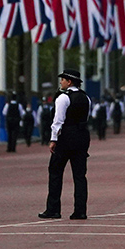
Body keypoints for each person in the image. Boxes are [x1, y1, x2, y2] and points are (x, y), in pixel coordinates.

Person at [39, 69, 91, 220]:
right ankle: (80, 211)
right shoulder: (85, 97)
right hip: (82, 136)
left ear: (69, 82)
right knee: (80, 175)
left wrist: (53, 139)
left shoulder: (63, 98)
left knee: (55, 172)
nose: (60, 82)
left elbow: (58, 121)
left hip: (66, 137)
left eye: (62, 79)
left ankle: (53, 209)